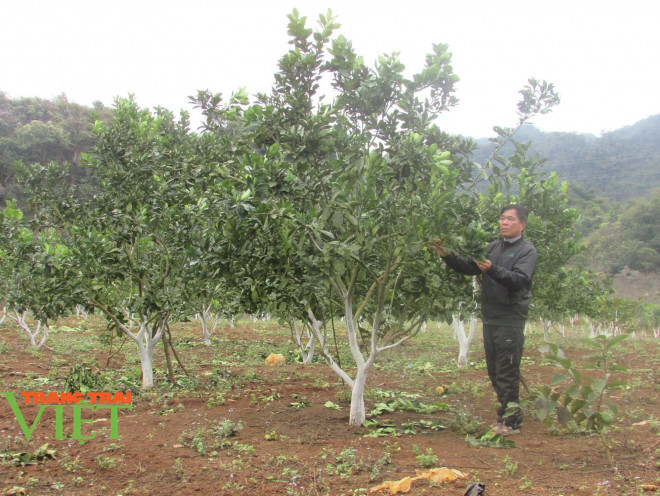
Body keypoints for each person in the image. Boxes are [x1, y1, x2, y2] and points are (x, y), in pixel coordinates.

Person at [430, 204, 538, 436]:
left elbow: (520, 280)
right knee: (495, 371)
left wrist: (492, 269)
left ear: (522, 225)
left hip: (510, 319)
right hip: (491, 318)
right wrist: (446, 255)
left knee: (507, 371)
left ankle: (511, 422)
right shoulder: (492, 247)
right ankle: (505, 416)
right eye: (502, 218)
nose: (504, 223)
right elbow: (470, 267)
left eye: (510, 219)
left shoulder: (527, 251)